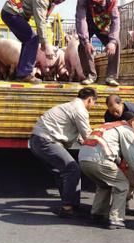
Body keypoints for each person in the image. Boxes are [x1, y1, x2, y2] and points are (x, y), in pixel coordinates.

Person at [78, 111, 134, 230]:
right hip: (98, 160)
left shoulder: (109, 125)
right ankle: (116, 219)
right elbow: (132, 157)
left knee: (104, 184)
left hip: (83, 159)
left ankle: (97, 214)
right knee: (122, 184)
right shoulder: (127, 130)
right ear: (133, 121)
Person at [29, 87, 97, 218]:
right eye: (94, 102)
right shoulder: (80, 110)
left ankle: (72, 205)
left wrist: (81, 140)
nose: (93, 106)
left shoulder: (70, 106)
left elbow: (69, 127)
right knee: (72, 169)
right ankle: (68, 208)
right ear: (90, 99)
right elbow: (88, 135)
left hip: (37, 140)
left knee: (61, 171)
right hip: (46, 141)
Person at [1, 0, 72, 83]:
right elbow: (40, 22)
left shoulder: (51, 2)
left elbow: (43, 20)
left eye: (64, 0)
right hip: (11, 12)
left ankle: (22, 73)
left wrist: (43, 42)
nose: (61, 1)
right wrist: (46, 45)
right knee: (32, 39)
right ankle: (24, 73)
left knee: (30, 39)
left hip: (13, 13)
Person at [75, 0, 120, 86]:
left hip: (102, 26)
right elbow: (81, 20)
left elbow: (116, 20)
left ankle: (111, 77)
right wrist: (85, 41)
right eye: (94, 0)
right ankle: (90, 75)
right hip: (88, 25)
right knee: (82, 46)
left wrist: (112, 41)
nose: (96, 2)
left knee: (116, 43)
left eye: (99, 0)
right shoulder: (83, 0)